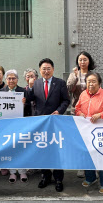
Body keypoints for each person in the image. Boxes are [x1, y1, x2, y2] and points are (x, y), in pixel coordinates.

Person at [26, 58, 70, 192]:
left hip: (55, 121)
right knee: (42, 150)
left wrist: (59, 111)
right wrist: (30, 87)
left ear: (53, 69)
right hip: (40, 122)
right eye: (43, 69)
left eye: (48, 68)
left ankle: (58, 178)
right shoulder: (36, 83)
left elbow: (66, 100)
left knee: (56, 150)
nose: (46, 71)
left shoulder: (60, 83)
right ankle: (45, 176)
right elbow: (29, 99)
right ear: (40, 70)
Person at [75, 72, 103, 194]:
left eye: (94, 81)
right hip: (86, 131)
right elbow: (77, 108)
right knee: (87, 155)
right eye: (89, 81)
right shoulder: (83, 94)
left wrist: (101, 115)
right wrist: (80, 113)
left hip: (101, 131)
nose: (91, 84)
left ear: (99, 83)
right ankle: (90, 178)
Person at [67, 51, 95, 178]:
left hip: (91, 111)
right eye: (80, 60)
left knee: (91, 139)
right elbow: (69, 89)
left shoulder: (94, 74)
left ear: (89, 61)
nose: (82, 62)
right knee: (79, 139)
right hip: (76, 110)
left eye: (85, 59)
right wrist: (76, 77)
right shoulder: (73, 74)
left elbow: (98, 90)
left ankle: (92, 165)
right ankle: (81, 166)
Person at [1, 69, 29, 183]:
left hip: (21, 124)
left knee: (20, 147)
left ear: (17, 80)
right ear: (6, 80)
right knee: (10, 148)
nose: (11, 80)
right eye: (9, 78)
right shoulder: (1, 92)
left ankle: (22, 171)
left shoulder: (23, 91)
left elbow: (29, 107)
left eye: (13, 78)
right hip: (7, 125)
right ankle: (12, 172)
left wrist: (23, 104)